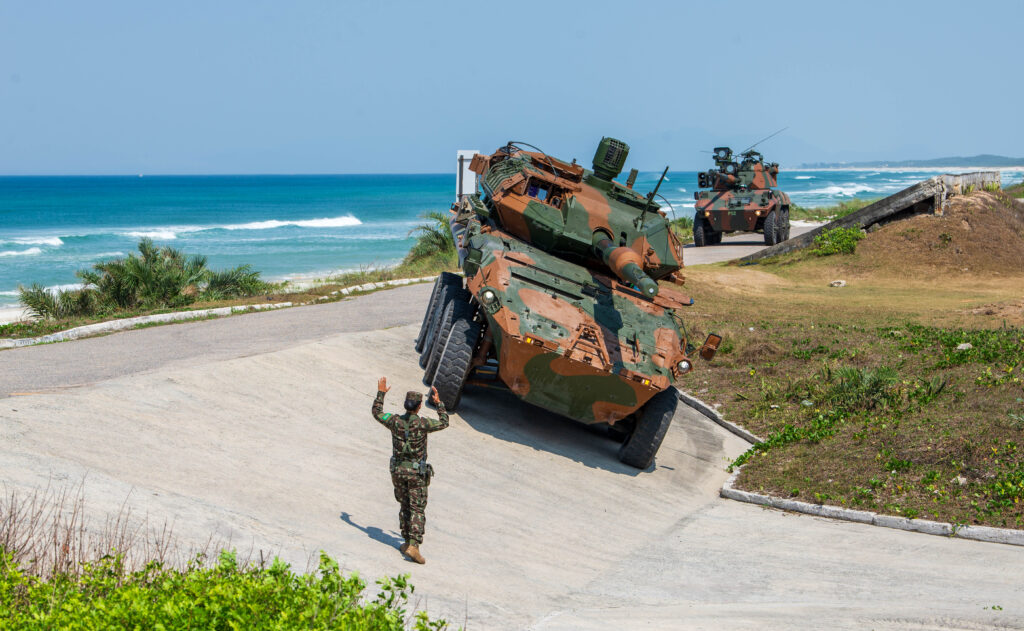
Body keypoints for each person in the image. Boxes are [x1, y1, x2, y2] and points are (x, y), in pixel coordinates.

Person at [372, 377, 449, 564]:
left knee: (405, 504)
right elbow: (444, 422)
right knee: (417, 508)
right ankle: (414, 545)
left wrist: (381, 393)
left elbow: (377, 412)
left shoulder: (395, 421)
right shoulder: (423, 424)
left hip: (397, 471)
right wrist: (439, 404)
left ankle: (406, 541)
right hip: (416, 473)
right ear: (419, 406)